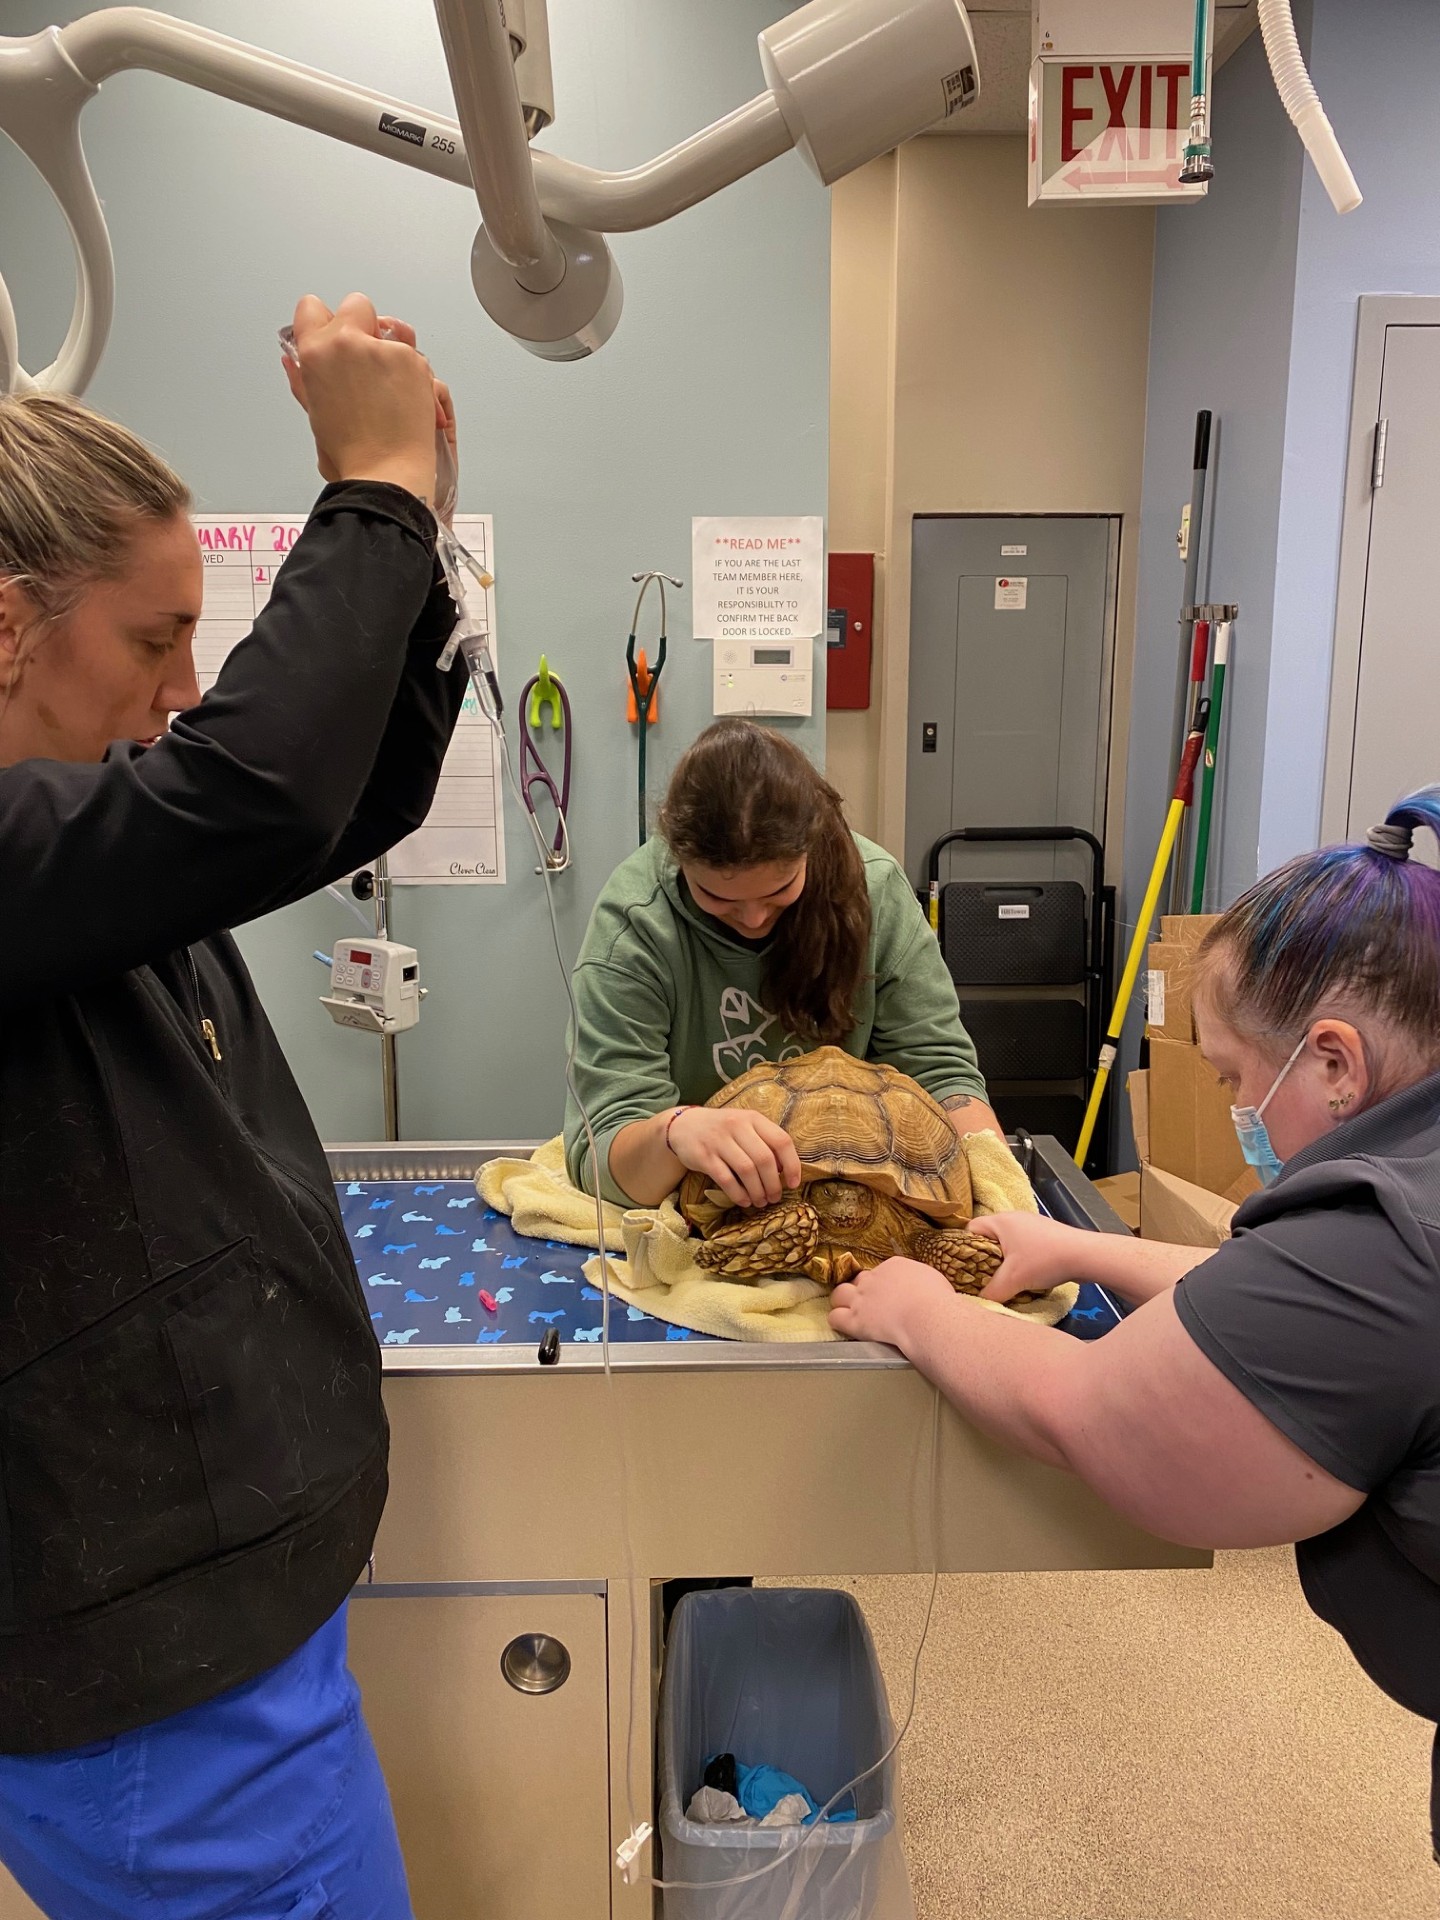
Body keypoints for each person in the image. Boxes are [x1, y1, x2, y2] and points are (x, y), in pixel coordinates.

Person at [0, 293, 465, 1918]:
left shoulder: (80, 854)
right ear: (7, 630)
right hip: (151, 1685)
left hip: (215, 1638)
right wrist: (373, 490)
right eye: (154, 639)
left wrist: (421, 537)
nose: (188, 687)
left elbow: (334, 797)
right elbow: (257, 784)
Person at [829, 787, 1440, 1855]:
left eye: (1237, 1080)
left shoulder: (1386, 1241)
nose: (1239, 1112)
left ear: (1336, 1063)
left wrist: (920, 1311)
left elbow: (1093, 1409)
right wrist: (1076, 1247)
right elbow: (1269, 1292)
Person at [563, 716, 1005, 1210]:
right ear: (676, 854)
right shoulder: (634, 927)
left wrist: (996, 1187)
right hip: (711, 1203)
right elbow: (600, 1153)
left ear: (809, 850)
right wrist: (675, 1130)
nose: (753, 918)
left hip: (864, 1196)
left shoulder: (874, 891)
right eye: (717, 897)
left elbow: (940, 1075)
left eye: (779, 892)